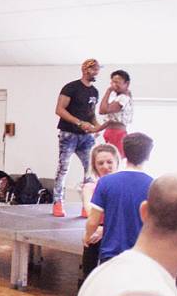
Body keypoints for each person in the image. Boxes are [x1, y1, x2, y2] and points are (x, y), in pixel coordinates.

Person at [85, 133, 155, 266]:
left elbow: (93, 221)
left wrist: (88, 237)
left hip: (111, 254)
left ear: (124, 153)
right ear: (148, 156)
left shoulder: (106, 182)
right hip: (141, 255)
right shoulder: (154, 185)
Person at [54, 58, 105, 217]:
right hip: (69, 134)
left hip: (86, 137)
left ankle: (86, 205)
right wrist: (79, 123)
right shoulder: (71, 87)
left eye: (98, 69)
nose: (96, 72)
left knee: (90, 170)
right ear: (85, 70)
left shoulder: (94, 91)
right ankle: (57, 202)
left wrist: (97, 126)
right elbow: (59, 110)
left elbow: (91, 113)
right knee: (63, 168)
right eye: (94, 69)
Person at [80, 144, 121, 282]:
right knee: (89, 270)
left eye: (109, 162)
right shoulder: (90, 187)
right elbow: (90, 210)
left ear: (116, 163)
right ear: (95, 166)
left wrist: (104, 230)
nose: (105, 166)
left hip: (116, 232)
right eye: (100, 163)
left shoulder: (122, 186)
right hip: (96, 229)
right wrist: (95, 230)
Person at [99, 69, 134, 156]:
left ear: (127, 83)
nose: (114, 85)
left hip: (116, 133)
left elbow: (103, 110)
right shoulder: (120, 97)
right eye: (112, 82)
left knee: (115, 159)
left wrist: (108, 91)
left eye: (117, 82)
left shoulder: (123, 98)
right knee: (111, 158)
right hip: (111, 132)